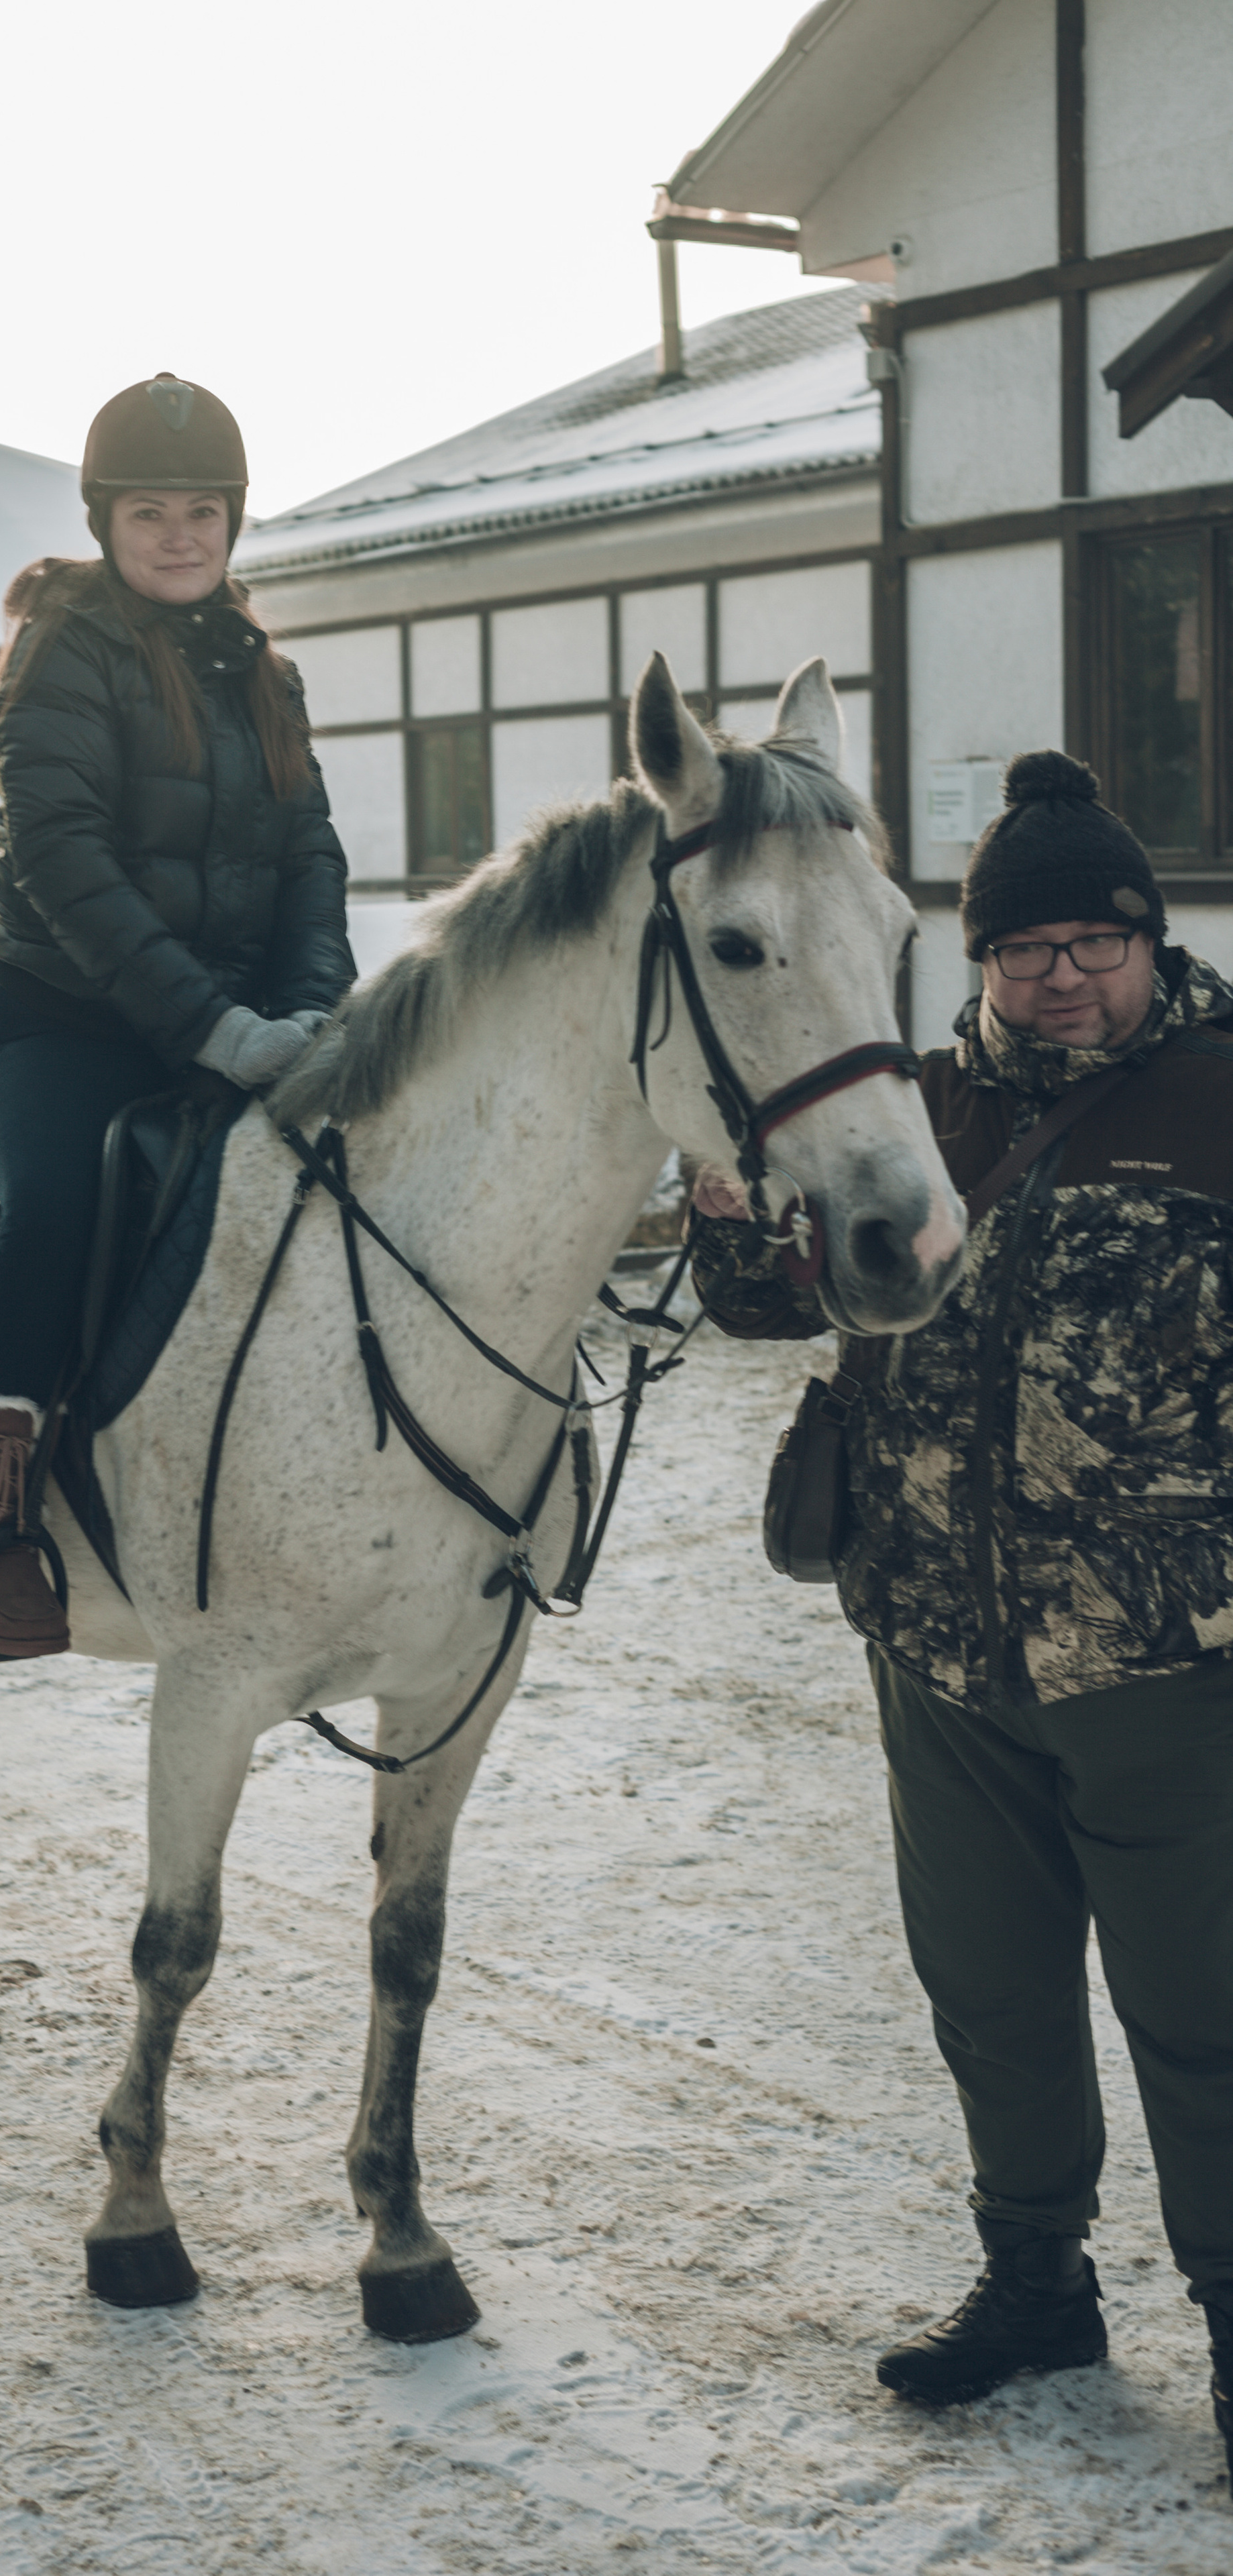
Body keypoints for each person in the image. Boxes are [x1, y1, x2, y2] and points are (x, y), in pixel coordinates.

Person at [689, 751, 1233, 2463]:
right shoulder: (907, 1110)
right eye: (1020, 949)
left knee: (1205, 2023)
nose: (1058, 976)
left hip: (1170, 1662)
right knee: (989, 1997)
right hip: (935, 1644)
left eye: (1093, 941)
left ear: (1148, 940)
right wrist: (725, 1218)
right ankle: (1034, 2284)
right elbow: (772, 1308)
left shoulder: (1219, 1096)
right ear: (976, 959)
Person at [0, 372, 355, 1661]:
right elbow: (66, 863)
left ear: (233, 521)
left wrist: (311, 1007)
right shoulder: (63, 654)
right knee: (58, 1214)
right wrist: (212, 1030)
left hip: (248, 1021)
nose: (179, 537)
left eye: (201, 512)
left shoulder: (264, 673)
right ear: (106, 523)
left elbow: (311, 854)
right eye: (149, 513)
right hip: (67, 1023)